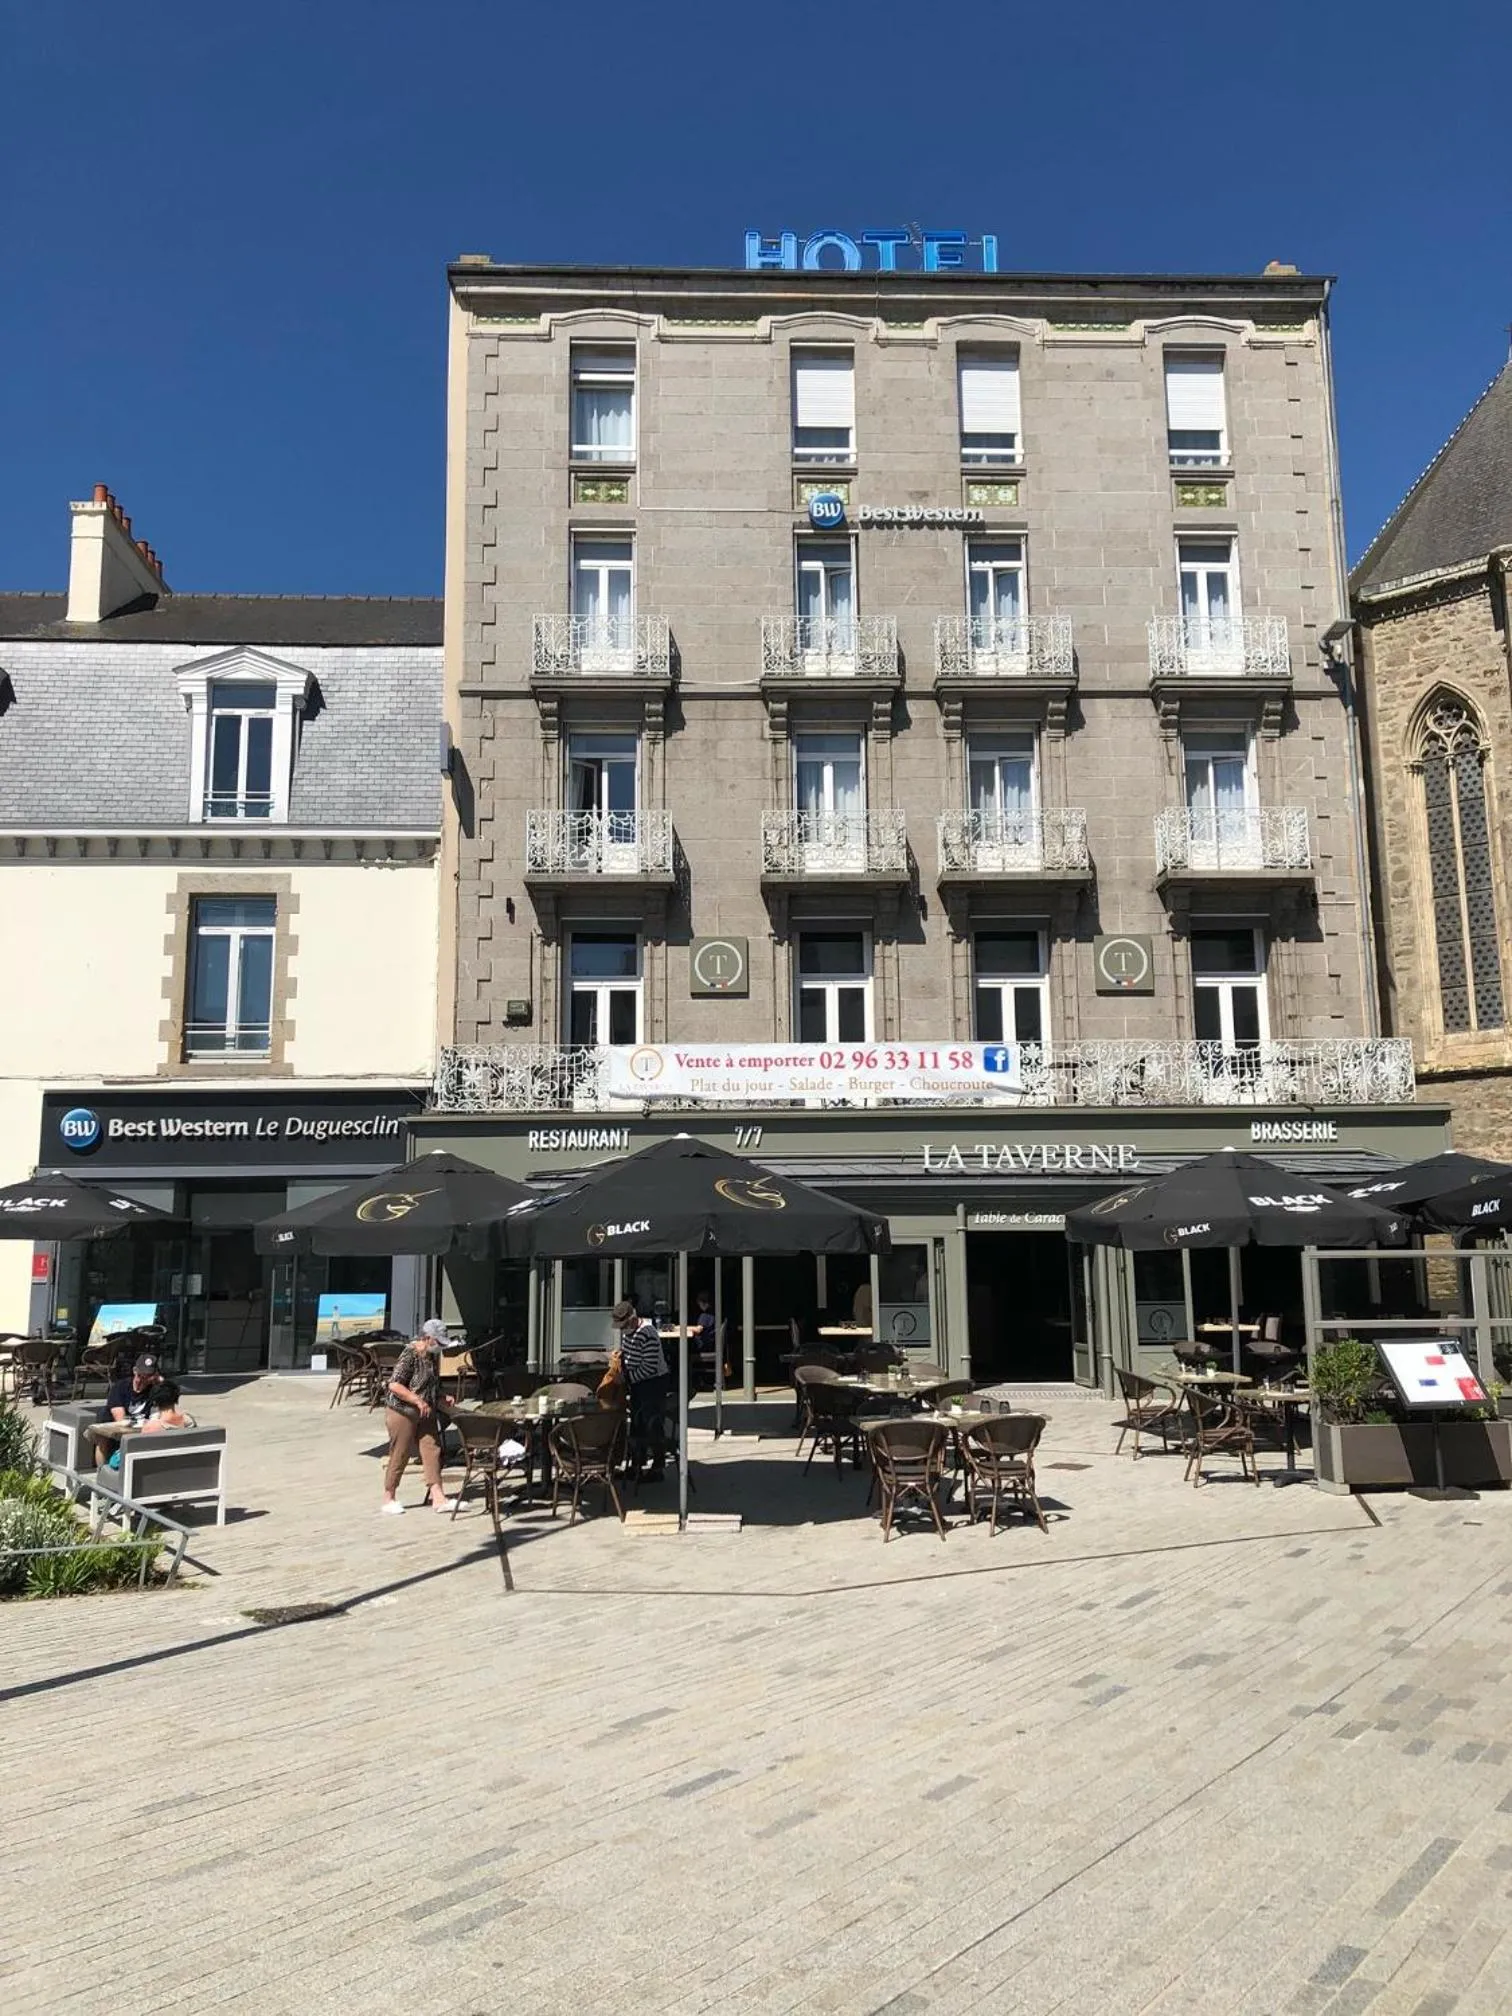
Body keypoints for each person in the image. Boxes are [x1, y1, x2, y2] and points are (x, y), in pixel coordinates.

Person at [381, 1317, 457, 1516]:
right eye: (438, 1342)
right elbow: (394, 1384)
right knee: (401, 1452)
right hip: (402, 1411)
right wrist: (416, 1400)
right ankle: (389, 1497)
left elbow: (430, 1384)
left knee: (432, 1449)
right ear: (427, 1338)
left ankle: (438, 1496)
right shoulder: (410, 1353)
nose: (440, 1346)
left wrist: (442, 1396)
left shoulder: (431, 1357)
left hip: (426, 1411)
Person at [613, 1298, 669, 1480]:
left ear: (633, 1318)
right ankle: (637, 1462)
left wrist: (626, 1379)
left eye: (625, 1324)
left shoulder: (648, 1333)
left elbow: (649, 1367)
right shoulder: (629, 1332)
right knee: (637, 1423)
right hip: (637, 1382)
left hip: (652, 1383)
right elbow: (630, 1353)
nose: (623, 1329)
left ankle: (658, 1466)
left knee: (652, 1422)